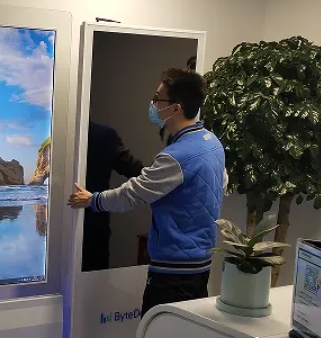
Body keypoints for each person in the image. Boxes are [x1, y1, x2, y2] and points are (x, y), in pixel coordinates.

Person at [68, 68, 226, 316]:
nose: (153, 104)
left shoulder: (176, 157)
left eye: (157, 99)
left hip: (173, 273)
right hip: (200, 265)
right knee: (186, 334)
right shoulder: (212, 142)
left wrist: (93, 200)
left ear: (175, 108)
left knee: (159, 335)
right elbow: (221, 183)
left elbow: (133, 194)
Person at [82, 121, 144, 271]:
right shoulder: (104, 135)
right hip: (95, 223)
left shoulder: (54, 135)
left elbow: (139, 175)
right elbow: (138, 173)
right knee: (93, 278)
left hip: (88, 223)